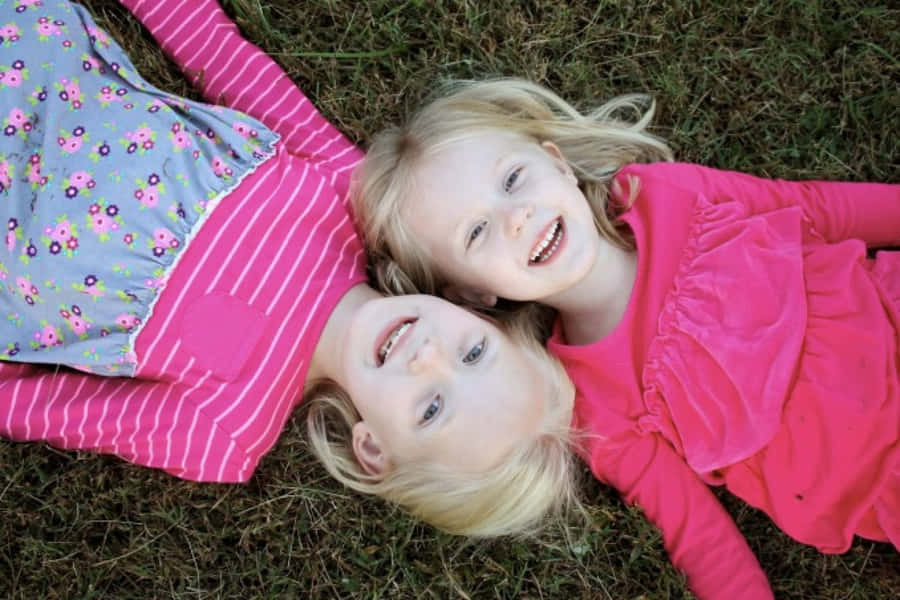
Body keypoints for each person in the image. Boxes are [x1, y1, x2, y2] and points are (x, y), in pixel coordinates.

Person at [0, 1, 580, 538]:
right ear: (476, 310)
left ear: (373, 449)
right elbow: (227, 64)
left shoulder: (225, 432)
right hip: (38, 69)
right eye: (473, 352)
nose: (427, 356)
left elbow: (50, 409)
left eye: (431, 408)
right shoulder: (347, 197)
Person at [351, 77, 900, 598]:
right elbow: (697, 531)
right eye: (476, 232)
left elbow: (814, 207)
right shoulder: (596, 403)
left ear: (558, 164)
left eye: (513, 179)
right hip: (877, 468)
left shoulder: (667, 196)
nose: (516, 217)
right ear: (473, 294)